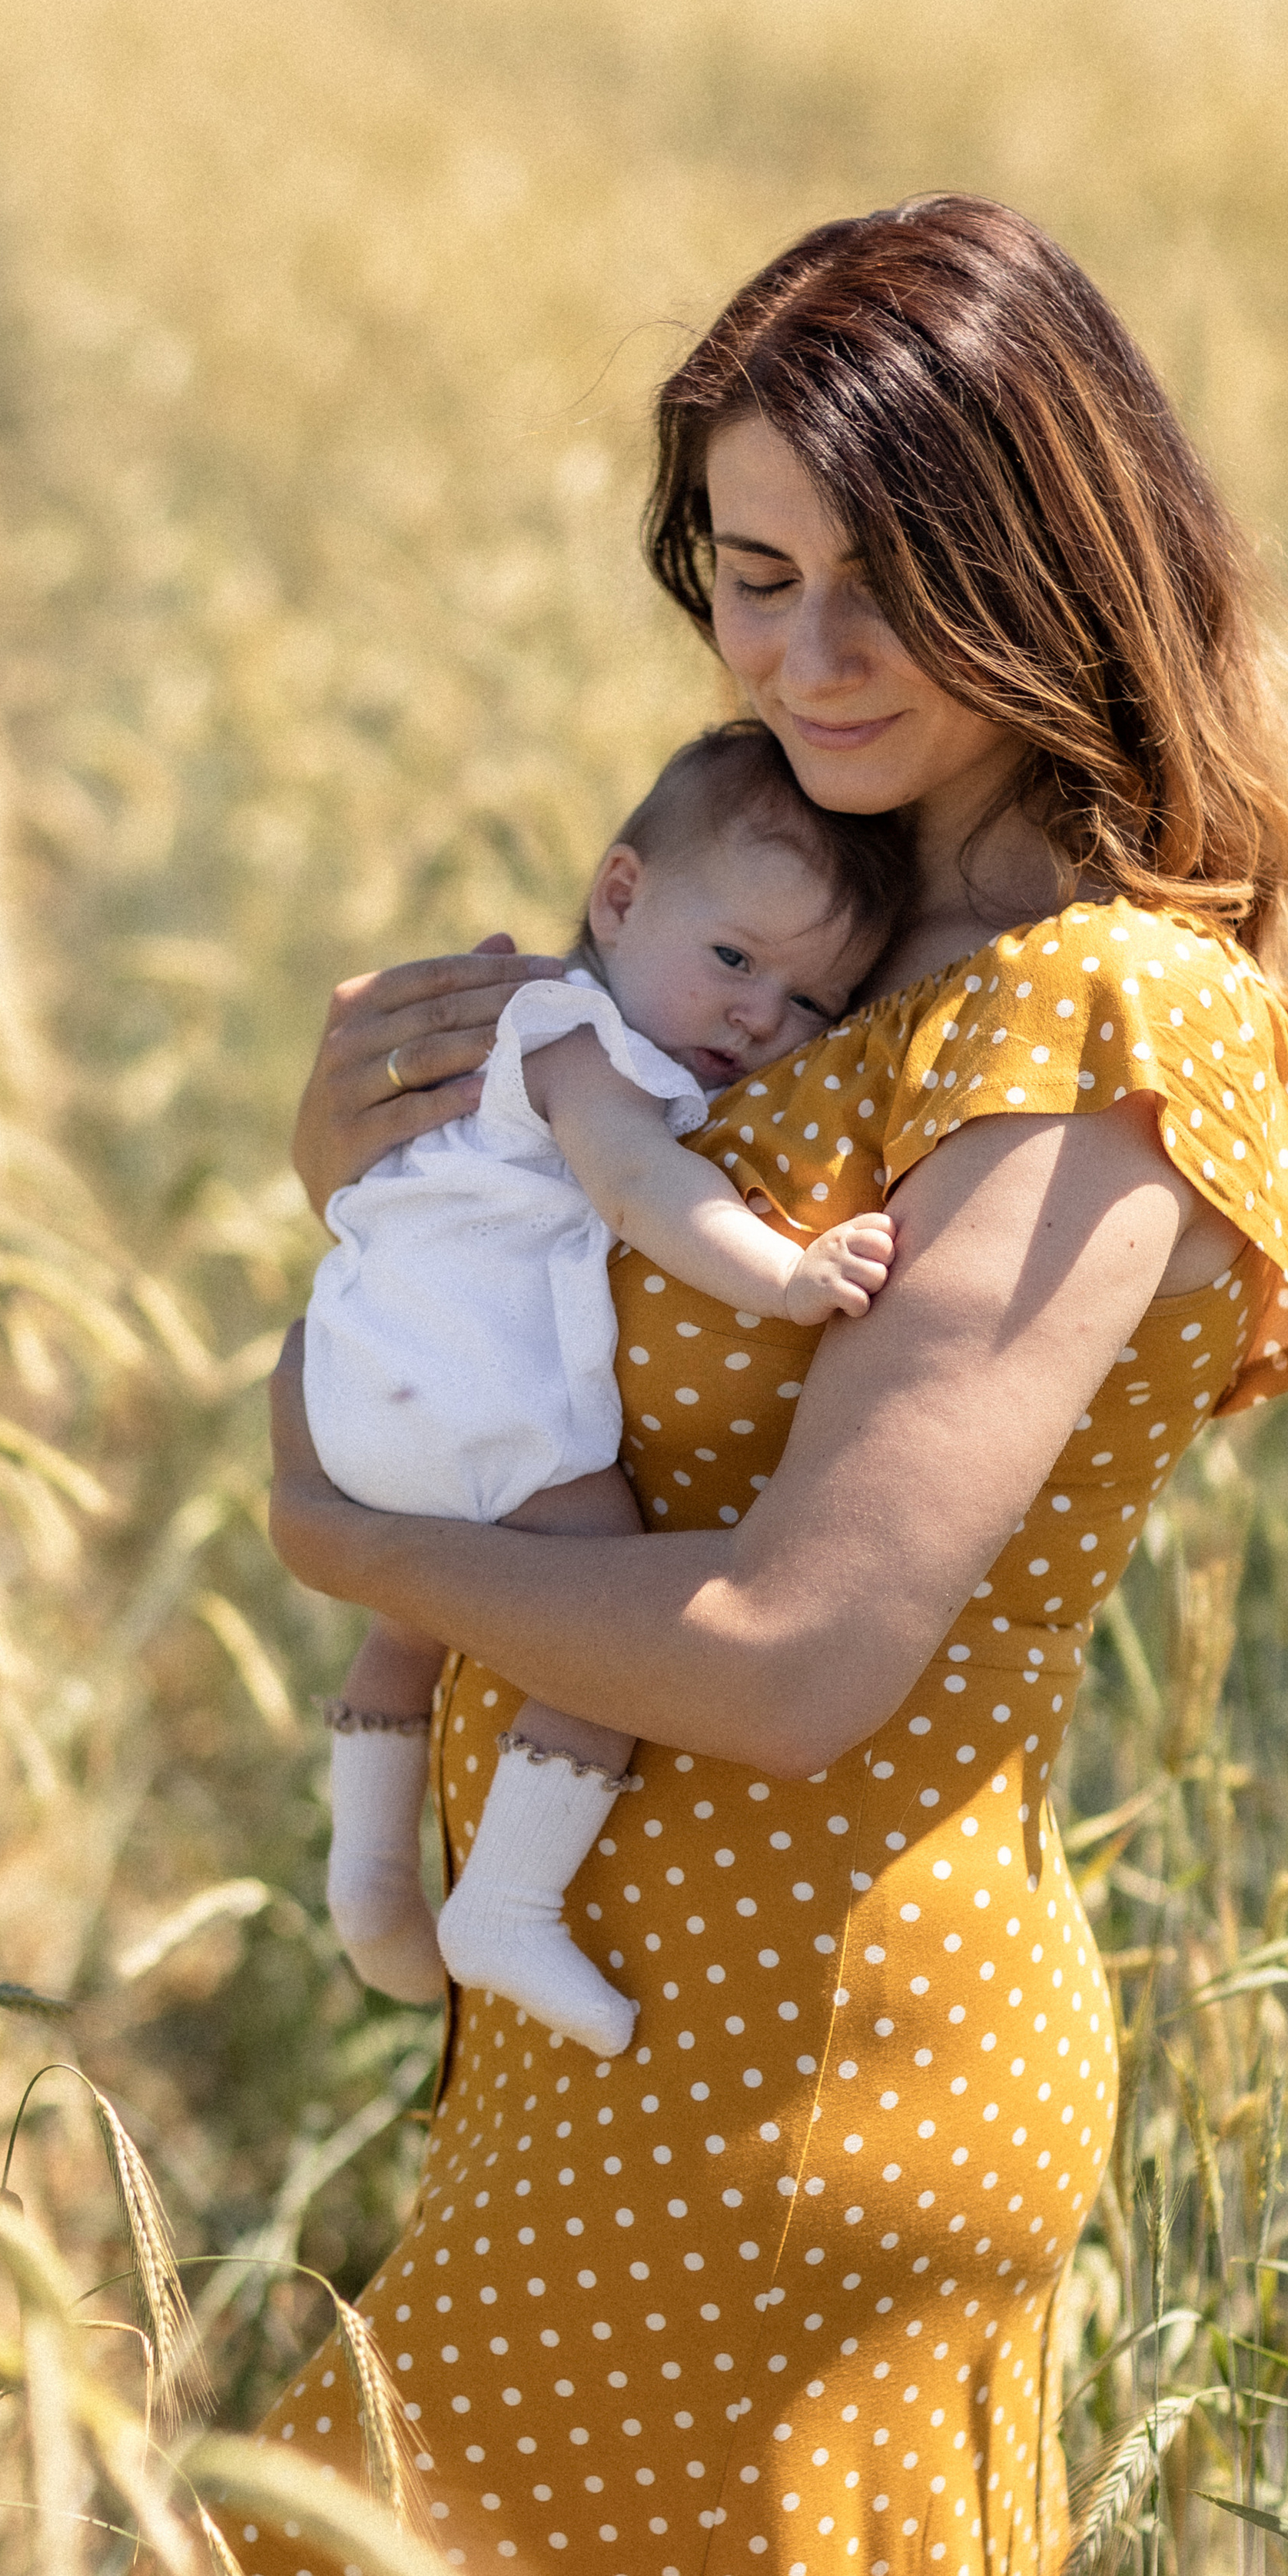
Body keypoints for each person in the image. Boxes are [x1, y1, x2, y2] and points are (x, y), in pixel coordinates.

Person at [0, 196, 1288, 2576]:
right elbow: (556, 1337)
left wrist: (335, 1531)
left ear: (1059, 559)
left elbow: (792, 1644)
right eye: (753, 577)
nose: (808, 656)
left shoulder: (1101, 1019)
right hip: (613, 2054)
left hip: (801, 2094)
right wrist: (382, 1199)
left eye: (894, 583)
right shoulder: (807, 946)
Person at [310, 723, 907, 2057]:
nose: (761, 1016)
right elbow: (643, 1190)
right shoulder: (581, 1044)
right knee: (607, 1611)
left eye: (810, 1003)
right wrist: (788, 1274)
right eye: (735, 960)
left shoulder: (509, 1037)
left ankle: (364, 1873)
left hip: (364, 1395)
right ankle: (507, 1904)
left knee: (411, 1621)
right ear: (620, 897)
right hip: (476, 1415)